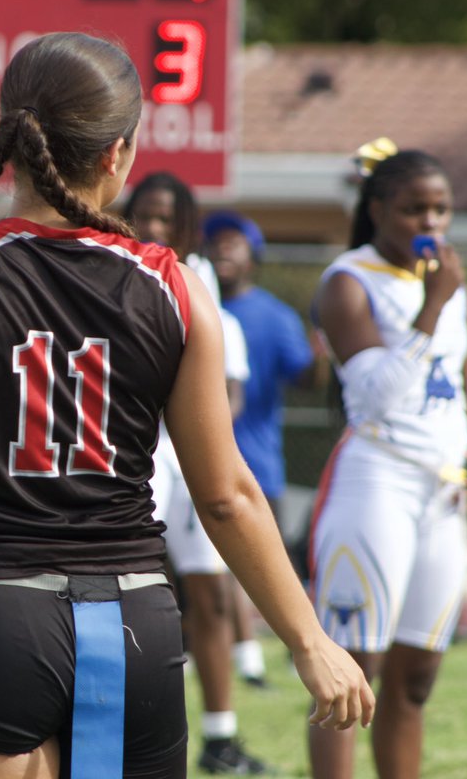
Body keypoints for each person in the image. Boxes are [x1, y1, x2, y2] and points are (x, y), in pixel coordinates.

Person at [0, 32, 373, 779]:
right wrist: (309, 641)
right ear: (118, 153)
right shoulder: (178, 286)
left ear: (11, 143)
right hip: (137, 624)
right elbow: (226, 497)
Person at [306, 140, 467, 779]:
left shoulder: (451, 284)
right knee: (350, 673)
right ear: (378, 208)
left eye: (441, 209)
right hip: (377, 482)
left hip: (443, 494)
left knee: (416, 678)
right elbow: (371, 395)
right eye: (414, 209)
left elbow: (460, 384)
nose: (430, 223)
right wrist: (434, 304)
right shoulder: (348, 281)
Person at [124, 173, 271, 775]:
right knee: (136, 591)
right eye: (147, 217)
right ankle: (134, 726)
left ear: (187, 226)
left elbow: (229, 390)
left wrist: (196, 431)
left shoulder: (199, 284)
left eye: (168, 219)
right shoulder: (114, 270)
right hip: (132, 453)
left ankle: (220, 735)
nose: (156, 229)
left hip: (188, 456)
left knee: (208, 598)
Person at [203, 208, 319, 688]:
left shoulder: (275, 316)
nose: (223, 250)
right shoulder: (194, 301)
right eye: (216, 241)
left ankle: (307, 644)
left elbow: (309, 379)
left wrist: (324, 345)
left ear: (255, 256)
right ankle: (246, 656)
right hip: (196, 460)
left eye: (236, 242)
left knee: (272, 560)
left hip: (256, 461)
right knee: (210, 567)